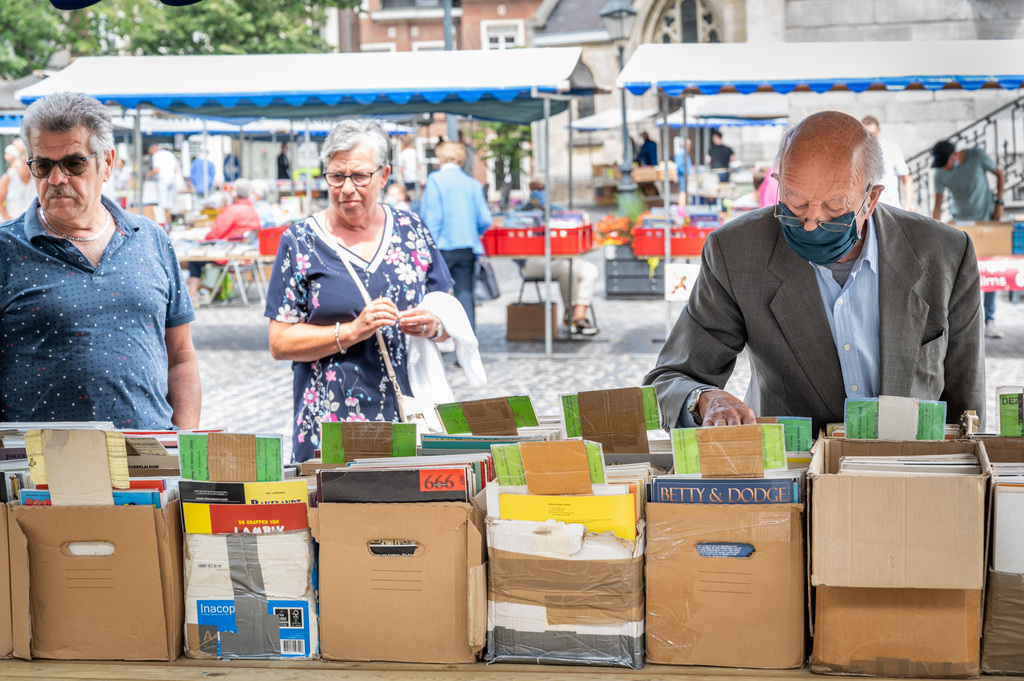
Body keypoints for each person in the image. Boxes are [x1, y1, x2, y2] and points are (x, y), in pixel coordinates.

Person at [644, 110, 985, 434]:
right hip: (794, 476)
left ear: (871, 199)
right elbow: (670, 379)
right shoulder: (735, 253)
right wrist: (705, 399)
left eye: (835, 207)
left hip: (910, 472)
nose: (809, 224)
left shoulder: (945, 254)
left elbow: (966, 408)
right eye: (795, 201)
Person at [0, 91, 200, 429]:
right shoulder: (6, 249)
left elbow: (181, 356)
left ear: (106, 163)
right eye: (43, 165)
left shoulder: (149, 238)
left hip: (151, 465)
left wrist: (185, 443)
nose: (56, 179)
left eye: (73, 163)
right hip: (44, 473)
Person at [265, 119, 455, 462]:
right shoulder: (300, 241)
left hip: (409, 414)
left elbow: (448, 315)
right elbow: (280, 343)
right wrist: (351, 331)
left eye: (359, 176)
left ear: (384, 175)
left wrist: (433, 326)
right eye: (337, 176)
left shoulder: (412, 230)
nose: (346, 188)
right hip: (330, 423)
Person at [931, 139, 1006, 339]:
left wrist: (999, 202)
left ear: (954, 154)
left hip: (986, 220)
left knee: (991, 270)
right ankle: (961, 322)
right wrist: (931, 231)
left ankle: (989, 319)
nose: (944, 169)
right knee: (961, 272)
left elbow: (1000, 174)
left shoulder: (977, 157)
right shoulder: (940, 173)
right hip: (961, 225)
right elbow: (937, 205)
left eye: (945, 163)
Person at [421, 140, 492, 331]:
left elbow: (432, 219)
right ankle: (467, 346)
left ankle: (437, 342)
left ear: (441, 157)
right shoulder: (472, 183)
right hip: (467, 247)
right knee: (465, 295)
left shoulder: (435, 180)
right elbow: (485, 219)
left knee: (435, 296)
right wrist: (471, 231)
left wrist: (427, 249)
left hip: (441, 247)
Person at [517, 177, 600, 335]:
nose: (537, 192)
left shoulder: (557, 210)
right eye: (534, 188)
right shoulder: (521, 211)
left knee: (590, 269)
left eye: (541, 188)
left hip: (558, 257)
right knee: (567, 268)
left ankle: (579, 315)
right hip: (532, 260)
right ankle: (569, 315)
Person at [187, 177, 262, 300]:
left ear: (234, 192)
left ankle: (192, 296)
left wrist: (204, 238)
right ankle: (206, 289)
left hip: (229, 253)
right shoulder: (252, 210)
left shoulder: (232, 209)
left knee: (194, 259)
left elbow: (216, 232)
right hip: (246, 253)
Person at [862, 115, 913, 211]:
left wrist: (909, 203)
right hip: (867, 207)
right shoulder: (859, 152)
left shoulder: (891, 148)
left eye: (872, 133)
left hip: (891, 205)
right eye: (867, 133)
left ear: (878, 130)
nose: (870, 137)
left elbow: (906, 179)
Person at [0, 143, 32, 221]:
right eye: (25, 162)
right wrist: (8, 220)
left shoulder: (37, 179)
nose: (27, 166)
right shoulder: (8, 177)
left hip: (32, 223)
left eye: (30, 163)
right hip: (12, 223)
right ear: (19, 160)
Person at [146, 143, 179, 215]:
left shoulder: (157, 155)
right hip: (171, 178)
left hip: (162, 179)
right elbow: (175, 169)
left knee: (162, 202)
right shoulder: (169, 154)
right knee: (170, 202)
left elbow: (157, 169)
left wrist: (149, 174)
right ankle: (170, 219)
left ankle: (164, 220)